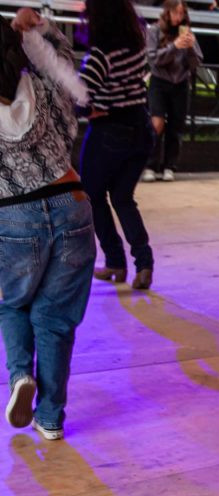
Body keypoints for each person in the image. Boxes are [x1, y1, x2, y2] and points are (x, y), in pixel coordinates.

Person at [1, 9, 96, 441]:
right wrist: (38, 28)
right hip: (72, 205)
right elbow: (64, 58)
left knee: (11, 302)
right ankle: (51, 416)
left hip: (14, 215)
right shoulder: (45, 86)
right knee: (55, 318)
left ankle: (21, 375)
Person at [79, 0, 156, 290]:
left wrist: (85, 111)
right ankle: (144, 263)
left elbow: (78, 95)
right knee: (123, 198)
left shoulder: (100, 55)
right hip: (141, 128)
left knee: (92, 194)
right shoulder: (137, 40)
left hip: (111, 131)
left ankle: (114, 260)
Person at [141, 0, 203, 183]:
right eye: (175, 13)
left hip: (181, 83)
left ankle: (169, 166)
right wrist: (174, 46)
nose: (178, 17)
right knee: (156, 123)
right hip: (159, 82)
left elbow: (197, 63)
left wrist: (190, 47)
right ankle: (150, 165)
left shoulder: (186, 32)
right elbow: (153, 59)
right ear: (167, 13)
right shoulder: (154, 31)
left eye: (181, 13)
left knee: (176, 127)